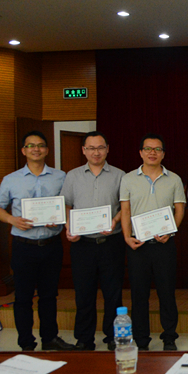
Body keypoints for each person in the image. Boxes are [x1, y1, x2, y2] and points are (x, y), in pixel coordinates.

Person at [0, 131, 75, 351]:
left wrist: (60, 219)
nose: (36, 149)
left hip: (51, 245)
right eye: (31, 146)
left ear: (47, 150)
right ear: (24, 150)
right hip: (23, 246)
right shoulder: (11, 179)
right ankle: (26, 344)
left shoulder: (61, 177)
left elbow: (68, 205)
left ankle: (50, 339)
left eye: (40, 145)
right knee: (23, 297)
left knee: (49, 296)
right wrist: (12, 220)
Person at [120, 133, 186, 351]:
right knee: (139, 295)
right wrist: (127, 237)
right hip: (138, 246)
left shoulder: (174, 179)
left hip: (164, 245)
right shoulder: (128, 179)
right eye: (148, 149)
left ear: (163, 154)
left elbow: (180, 209)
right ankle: (141, 339)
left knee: (167, 293)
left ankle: (169, 337)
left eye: (157, 149)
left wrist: (171, 231)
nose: (152, 153)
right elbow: (125, 210)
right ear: (140, 152)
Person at [61, 131, 126, 351]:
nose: (96, 152)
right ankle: (84, 339)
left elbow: (125, 206)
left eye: (100, 147)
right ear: (83, 150)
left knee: (113, 293)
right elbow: (66, 205)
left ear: (107, 149)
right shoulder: (72, 176)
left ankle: (113, 337)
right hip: (83, 245)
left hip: (111, 243)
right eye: (91, 148)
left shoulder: (120, 175)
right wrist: (69, 226)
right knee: (84, 294)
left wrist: (115, 221)